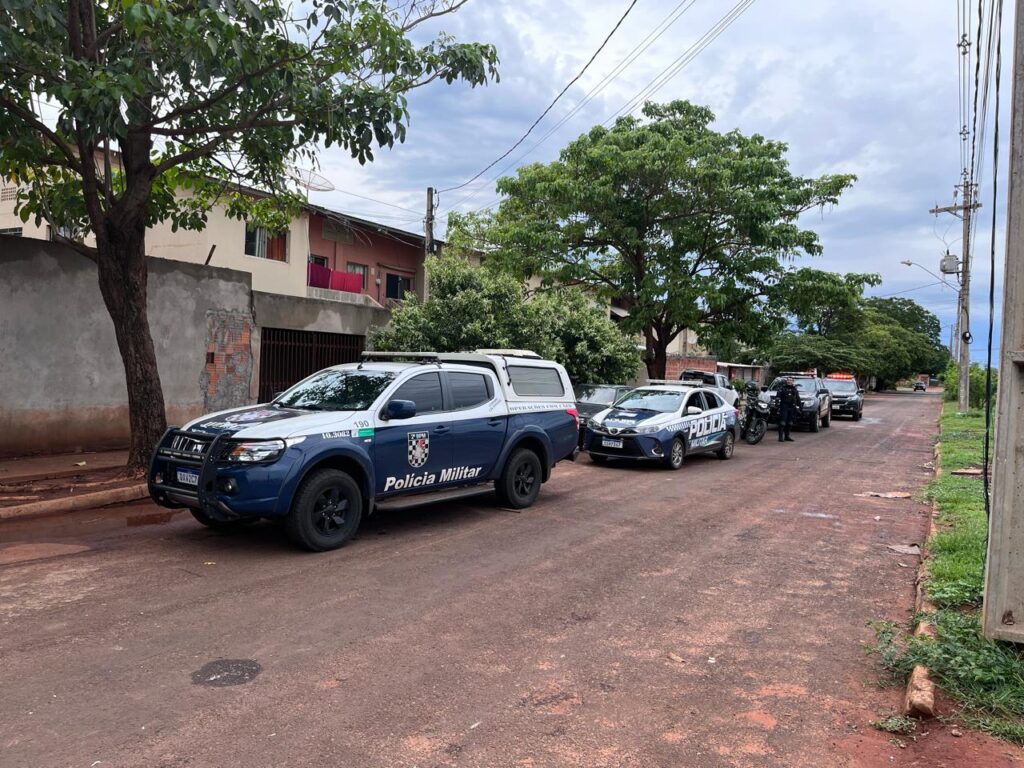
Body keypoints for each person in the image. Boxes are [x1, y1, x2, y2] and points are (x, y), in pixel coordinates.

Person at [776, 376, 800, 442]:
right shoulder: (782, 388)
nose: (789, 381)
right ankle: (780, 437)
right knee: (782, 422)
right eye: (788, 380)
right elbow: (778, 397)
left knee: (790, 423)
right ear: (786, 381)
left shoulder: (794, 389)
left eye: (790, 380)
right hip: (784, 407)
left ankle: (787, 436)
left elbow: (798, 398)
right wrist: (777, 404)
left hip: (792, 407)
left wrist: (799, 407)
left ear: (792, 381)